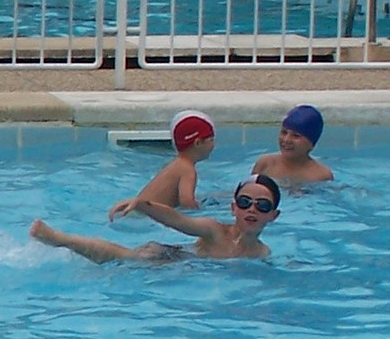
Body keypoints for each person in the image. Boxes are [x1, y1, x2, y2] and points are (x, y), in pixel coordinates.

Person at [33, 174, 282, 265]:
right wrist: (144, 205)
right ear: (233, 208)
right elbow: (178, 221)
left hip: (181, 270)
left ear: (273, 215)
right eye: (244, 202)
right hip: (166, 256)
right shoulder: (215, 231)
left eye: (262, 206)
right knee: (123, 257)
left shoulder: (262, 253)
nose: (252, 209)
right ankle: (59, 239)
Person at [109, 110, 216, 220]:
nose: (214, 144)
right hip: (146, 218)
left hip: (135, 212)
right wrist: (201, 214)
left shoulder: (175, 164)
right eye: (211, 140)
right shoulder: (188, 170)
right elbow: (187, 203)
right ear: (198, 143)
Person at [252, 104, 333, 186]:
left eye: (296, 136)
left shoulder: (322, 175)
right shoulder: (265, 164)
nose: (286, 140)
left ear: (311, 144)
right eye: (284, 132)